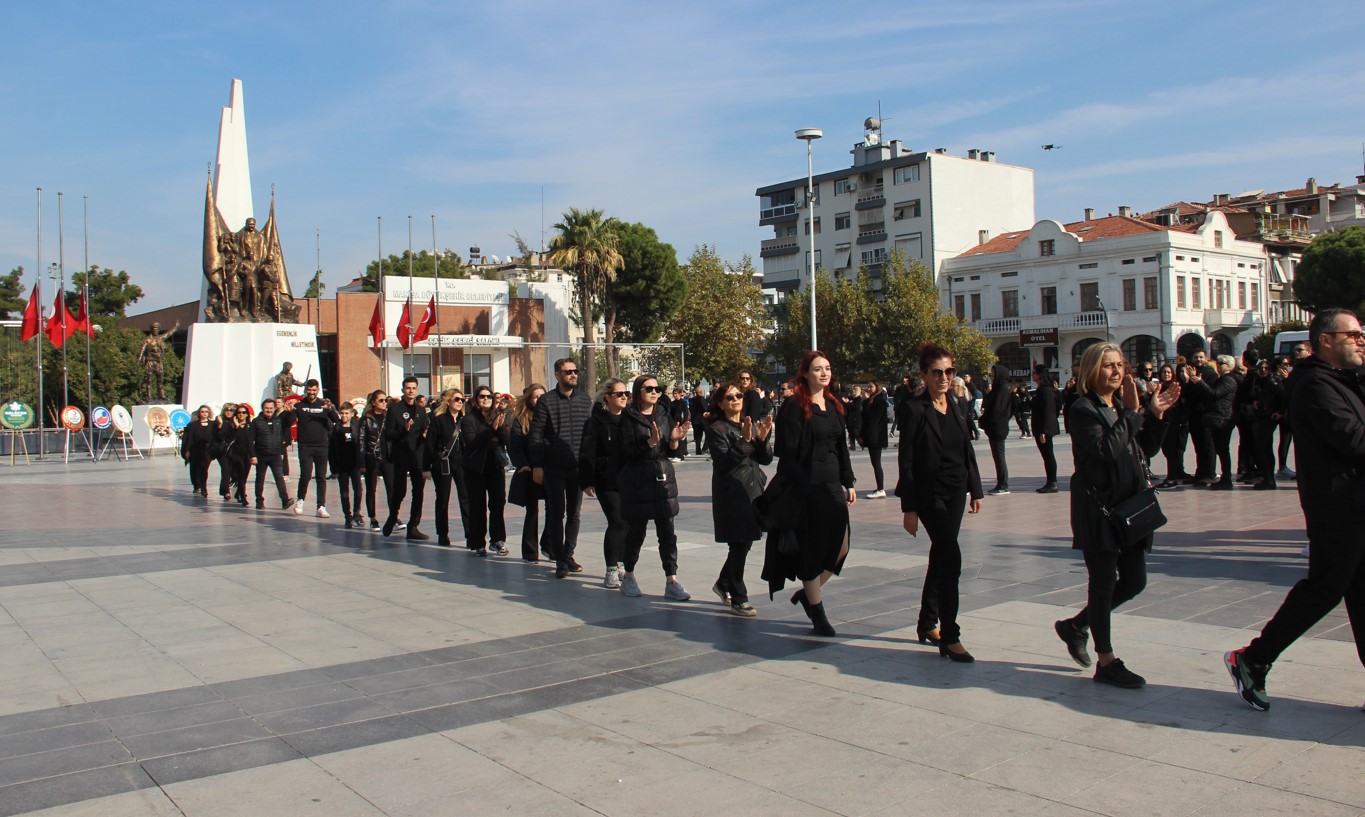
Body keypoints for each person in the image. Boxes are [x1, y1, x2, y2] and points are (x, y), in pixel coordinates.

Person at [1226, 308, 1365, 711]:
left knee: (1358, 594)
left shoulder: (1347, 381)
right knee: (1324, 590)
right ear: (1326, 340)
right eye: (1353, 334)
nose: (1360, 340)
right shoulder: (1314, 386)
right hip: (1338, 508)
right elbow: (1354, 439)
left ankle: (1253, 658)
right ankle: (1252, 658)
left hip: (1357, 505)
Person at [1053, 342, 1179, 689]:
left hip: (1131, 506)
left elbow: (1144, 450)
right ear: (1093, 370)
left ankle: (1076, 625)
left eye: (1120, 365)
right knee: (1104, 583)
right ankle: (1106, 659)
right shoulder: (1082, 409)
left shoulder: (1120, 406)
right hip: (1099, 511)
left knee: (1135, 581)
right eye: (1108, 365)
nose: (1116, 371)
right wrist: (1133, 415)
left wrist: (1155, 416)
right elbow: (1107, 450)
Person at [897, 344, 985, 662]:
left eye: (949, 371)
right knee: (951, 559)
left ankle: (926, 622)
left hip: (955, 492)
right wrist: (909, 508)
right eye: (937, 372)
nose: (944, 378)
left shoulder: (957, 404)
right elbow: (906, 461)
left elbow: (966, 451)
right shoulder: (914, 408)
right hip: (930, 495)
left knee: (941, 556)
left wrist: (976, 489)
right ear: (925, 375)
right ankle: (950, 637)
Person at [762, 351, 856, 637]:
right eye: (817, 369)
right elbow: (787, 457)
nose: (824, 374)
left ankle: (807, 593)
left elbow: (841, 447)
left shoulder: (834, 405)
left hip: (832, 484)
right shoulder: (794, 406)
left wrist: (848, 481)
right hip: (808, 486)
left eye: (827, 368)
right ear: (805, 373)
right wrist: (805, 489)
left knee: (842, 547)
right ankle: (817, 612)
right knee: (813, 550)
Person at [617, 374, 691, 599]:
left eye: (657, 388)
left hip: (662, 478)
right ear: (638, 391)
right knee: (636, 532)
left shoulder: (663, 414)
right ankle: (628, 575)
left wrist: (675, 440)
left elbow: (671, 452)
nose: (654, 392)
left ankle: (672, 581)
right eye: (648, 388)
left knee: (667, 533)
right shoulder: (628, 418)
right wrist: (648, 444)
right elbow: (626, 453)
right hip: (638, 479)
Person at [706, 381, 774, 616]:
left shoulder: (750, 424)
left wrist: (762, 440)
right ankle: (738, 596)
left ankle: (724, 583)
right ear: (721, 403)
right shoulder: (717, 429)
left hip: (752, 491)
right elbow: (724, 464)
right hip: (732, 494)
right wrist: (745, 441)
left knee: (744, 543)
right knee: (738, 545)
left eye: (739, 395)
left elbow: (765, 460)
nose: (735, 399)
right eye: (730, 397)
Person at [529, 359, 593, 579]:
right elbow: (536, 434)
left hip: (578, 467)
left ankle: (568, 554)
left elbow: (590, 435)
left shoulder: (585, 399)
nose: (573, 375)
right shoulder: (546, 401)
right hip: (554, 467)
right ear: (557, 375)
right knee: (556, 513)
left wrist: (591, 467)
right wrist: (537, 465)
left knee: (574, 514)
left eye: (575, 371)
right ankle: (559, 559)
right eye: (568, 372)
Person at [581, 379, 630, 588]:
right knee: (617, 521)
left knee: (628, 523)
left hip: (629, 479)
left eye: (626, 393)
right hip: (606, 479)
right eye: (619, 394)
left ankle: (621, 563)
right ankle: (611, 568)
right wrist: (587, 480)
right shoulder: (595, 422)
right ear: (607, 397)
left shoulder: (630, 419)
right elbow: (586, 452)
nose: (624, 397)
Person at [461, 386, 511, 556]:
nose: (486, 399)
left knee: (497, 503)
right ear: (475, 399)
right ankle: (477, 542)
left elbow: (504, 440)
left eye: (489, 397)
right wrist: (492, 430)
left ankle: (497, 540)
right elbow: (472, 441)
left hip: (495, 466)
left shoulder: (496, 416)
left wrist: (501, 427)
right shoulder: (469, 419)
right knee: (477, 505)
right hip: (476, 468)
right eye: (482, 396)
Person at [382, 376, 431, 541]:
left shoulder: (421, 410)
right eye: (408, 388)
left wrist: (425, 434)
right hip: (401, 455)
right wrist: (404, 429)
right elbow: (388, 434)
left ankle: (413, 526)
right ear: (403, 389)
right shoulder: (395, 409)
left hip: (417, 456)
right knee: (399, 491)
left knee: (418, 492)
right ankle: (392, 517)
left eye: (413, 388)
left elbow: (425, 430)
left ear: (417, 390)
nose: (411, 391)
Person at [1186, 355, 1238, 490]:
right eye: (1218, 363)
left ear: (1229, 366)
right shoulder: (1222, 379)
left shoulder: (1229, 380)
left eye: (1222, 363)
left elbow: (1214, 394)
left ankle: (1226, 478)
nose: (1218, 365)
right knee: (1220, 449)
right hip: (1217, 418)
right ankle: (1224, 478)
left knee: (1222, 449)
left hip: (1223, 418)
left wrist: (1198, 381)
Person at [508, 383, 547, 561]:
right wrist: (522, 464)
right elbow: (515, 444)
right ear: (529, 399)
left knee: (555, 509)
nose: (539, 400)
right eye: (536, 396)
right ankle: (530, 551)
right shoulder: (521, 419)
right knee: (532, 510)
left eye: (542, 396)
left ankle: (549, 544)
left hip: (549, 469)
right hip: (531, 469)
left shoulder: (551, 416)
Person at [428, 389, 469, 548]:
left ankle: (469, 533)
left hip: (461, 464)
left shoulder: (464, 420)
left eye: (462, 400)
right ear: (448, 401)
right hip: (443, 463)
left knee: (465, 498)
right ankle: (442, 534)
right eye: (457, 399)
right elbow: (430, 445)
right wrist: (426, 467)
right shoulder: (438, 420)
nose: (460, 402)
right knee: (443, 499)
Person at [292, 379, 337, 519]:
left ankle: (321, 506)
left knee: (321, 477)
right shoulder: (299, 405)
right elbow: (288, 421)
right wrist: (288, 412)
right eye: (309, 390)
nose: (311, 392)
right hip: (305, 446)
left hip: (322, 446)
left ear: (318, 390)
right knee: (305, 475)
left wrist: (330, 409)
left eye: (314, 390)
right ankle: (300, 500)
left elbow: (336, 418)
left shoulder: (324, 404)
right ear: (306, 390)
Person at [1248, 357, 1287, 491]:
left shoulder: (1272, 381)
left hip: (1269, 417)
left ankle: (1269, 478)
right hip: (1261, 416)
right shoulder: (1259, 381)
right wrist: (1254, 400)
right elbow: (1252, 394)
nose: (1263, 371)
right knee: (1264, 448)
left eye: (1266, 368)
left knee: (1261, 448)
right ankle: (1268, 478)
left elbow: (1283, 397)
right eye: (1261, 368)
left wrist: (1280, 412)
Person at [250, 398, 294, 509]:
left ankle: (285, 500)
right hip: (261, 455)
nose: (269, 410)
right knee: (260, 479)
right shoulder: (256, 421)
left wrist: (281, 452)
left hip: (275, 455)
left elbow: (282, 435)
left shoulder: (278, 420)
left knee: (279, 477)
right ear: (262, 409)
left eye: (271, 408)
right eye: (266, 408)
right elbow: (250, 440)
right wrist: (253, 455)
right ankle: (259, 501)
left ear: (274, 408)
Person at [1153, 363, 1191, 488]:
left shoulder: (1175, 387)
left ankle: (1172, 477)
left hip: (1173, 422)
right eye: (1164, 372)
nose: (1166, 374)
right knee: (1167, 450)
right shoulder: (1159, 387)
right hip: (1163, 422)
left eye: (1169, 372)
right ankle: (1174, 474)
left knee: (1172, 450)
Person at [979, 363, 1013, 494]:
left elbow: (996, 410)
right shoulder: (997, 389)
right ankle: (1001, 483)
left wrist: (985, 420)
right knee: (997, 457)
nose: (992, 377)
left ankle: (1003, 484)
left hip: (998, 428)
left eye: (994, 375)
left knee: (999, 457)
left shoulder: (1002, 390)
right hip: (994, 428)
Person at [360, 390, 391, 531]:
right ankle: (373, 518)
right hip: (372, 457)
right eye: (381, 400)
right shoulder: (366, 418)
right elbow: (361, 441)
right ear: (373, 402)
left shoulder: (388, 417)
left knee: (392, 488)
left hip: (387, 457)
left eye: (385, 400)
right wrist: (362, 461)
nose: (384, 403)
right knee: (371, 489)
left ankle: (394, 516)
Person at [329, 402, 364, 527]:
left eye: (346, 413)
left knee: (358, 490)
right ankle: (347, 516)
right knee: (344, 492)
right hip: (342, 465)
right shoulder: (336, 429)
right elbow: (331, 450)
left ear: (352, 413)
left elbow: (361, 445)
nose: (344, 416)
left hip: (355, 464)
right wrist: (334, 468)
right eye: (342, 413)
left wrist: (362, 462)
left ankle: (356, 513)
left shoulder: (357, 426)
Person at [1031, 365, 1061, 493]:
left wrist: (1044, 430)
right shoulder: (1041, 390)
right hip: (1040, 427)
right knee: (1046, 455)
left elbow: (1049, 411)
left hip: (1044, 429)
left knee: (1048, 455)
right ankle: (1050, 481)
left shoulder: (1046, 391)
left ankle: (1052, 482)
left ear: (1039, 374)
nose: (1032, 375)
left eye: (1034, 373)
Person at [861, 380, 890, 498]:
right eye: (868, 386)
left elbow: (873, 419)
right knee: (875, 463)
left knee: (876, 463)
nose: (869, 388)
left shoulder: (879, 401)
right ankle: (879, 487)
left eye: (871, 386)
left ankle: (880, 488)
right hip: (873, 436)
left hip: (876, 437)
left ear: (877, 387)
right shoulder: (873, 400)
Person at [222, 405, 255, 506]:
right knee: (240, 474)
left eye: (244, 412)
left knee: (244, 475)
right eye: (239, 412)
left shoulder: (250, 425)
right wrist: (237, 427)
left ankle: (239, 492)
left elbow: (251, 439)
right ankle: (243, 495)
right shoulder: (230, 425)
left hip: (248, 453)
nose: (241, 414)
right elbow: (229, 437)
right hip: (236, 454)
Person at [181, 405, 216, 497]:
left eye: (206, 411)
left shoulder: (213, 424)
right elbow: (190, 439)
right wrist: (187, 450)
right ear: (199, 413)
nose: (204, 413)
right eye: (202, 411)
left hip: (207, 450)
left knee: (204, 469)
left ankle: (203, 487)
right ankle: (196, 485)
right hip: (195, 449)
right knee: (195, 468)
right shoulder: (193, 425)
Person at [689, 386, 708, 456]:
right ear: (700, 392)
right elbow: (705, 408)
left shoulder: (692, 400)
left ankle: (698, 449)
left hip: (695, 420)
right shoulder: (701, 399)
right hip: (702, 420)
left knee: (697, 436)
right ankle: (705, 448)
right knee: (708, 434)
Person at [846, 385, 864, 451]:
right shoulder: (852, 398)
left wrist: (848, 403)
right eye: (852, 389)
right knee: (851, 433)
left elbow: (856, 408)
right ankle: (852, 446)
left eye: (854, 390)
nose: (853, 391)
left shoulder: (858, 398)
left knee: (855, 432)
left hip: (857, 419)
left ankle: (862, 443)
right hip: (851, 418)